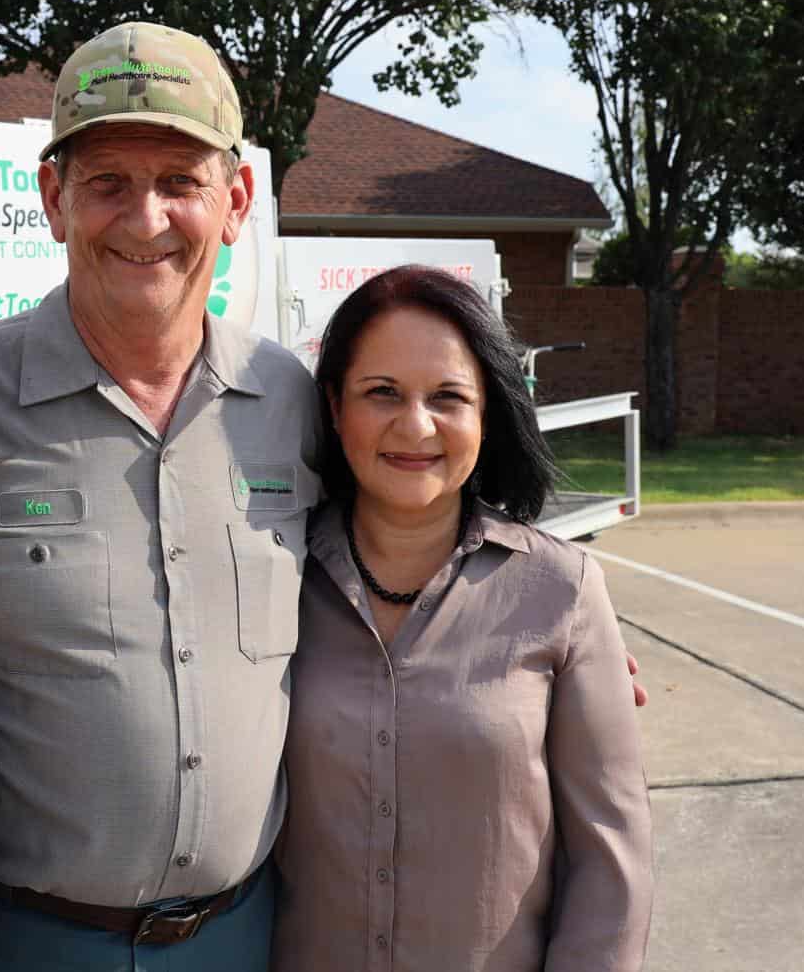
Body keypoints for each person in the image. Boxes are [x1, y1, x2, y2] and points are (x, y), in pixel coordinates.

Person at [0, 21, 320, 970]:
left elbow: (397, 556)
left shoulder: (295, 402)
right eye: (108, 184)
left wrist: (529, 634)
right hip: (22, 939)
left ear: (235, 201)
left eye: (180, 182)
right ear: (54, 199)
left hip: (245, 937)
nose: (145, 220)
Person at [273, 265, 654, 971]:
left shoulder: (561, 590)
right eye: (380, 392)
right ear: (333, 405)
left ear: (487, 414)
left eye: (448, 397)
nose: (415, 426)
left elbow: (612, 859)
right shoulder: (269, 579)